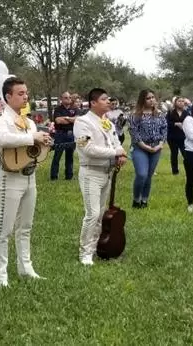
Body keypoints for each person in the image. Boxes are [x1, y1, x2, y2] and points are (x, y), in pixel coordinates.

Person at [0, 76, 52, 286]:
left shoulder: (29, 121)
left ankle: (26, 267)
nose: (26, 97)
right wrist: (32, 137)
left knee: (26, 226)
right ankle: (0, 273)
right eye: (20, 93)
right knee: (4, 228)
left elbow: (31, 150)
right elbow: (2, 139)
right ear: (8, 96)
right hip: (9, 176)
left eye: (26, 93)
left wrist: (43, 143)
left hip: (29, 176)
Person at [73, 88, 126, 266]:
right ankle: (85, 252)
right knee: (92, 213)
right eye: (104, 99)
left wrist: (120, 155)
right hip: (90, 172)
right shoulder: (82, 122)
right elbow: (86, 148)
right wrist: (115, 152)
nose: (108, 102)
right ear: (93, 103)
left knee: (101, 213)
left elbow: (116, 142)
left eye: (108, 99)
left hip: (107, 172)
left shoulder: (108, 123)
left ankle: (96, 246)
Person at [128, 89, 167, 208]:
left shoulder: (160, 114)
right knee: (142, 174)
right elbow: (134, 133)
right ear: (142, 100)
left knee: (149, 175)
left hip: (156, 147)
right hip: (140, 147)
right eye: (148, 98)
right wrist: (145, 147)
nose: (151, 100)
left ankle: (144, 200)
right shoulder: (135, 115)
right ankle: (136, 199)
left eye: (153, 97)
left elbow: (164, 130)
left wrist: (159, 145)